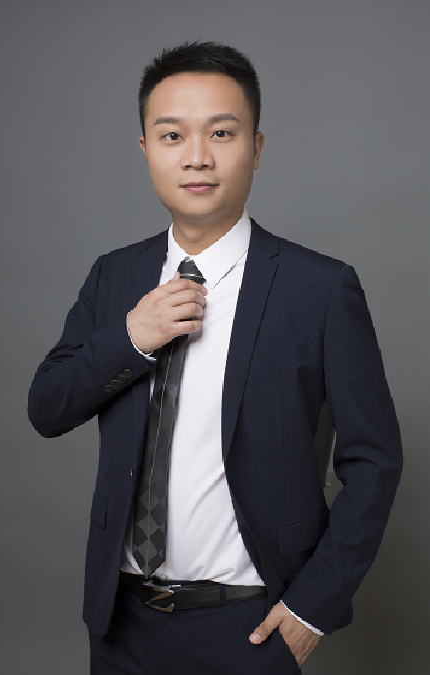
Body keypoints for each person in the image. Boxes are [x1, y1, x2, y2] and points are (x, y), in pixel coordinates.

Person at [28, 42, 403, 675]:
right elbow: (47, 407)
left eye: (221, 133)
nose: (196, 156)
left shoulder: (319, 288)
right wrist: (132, 337)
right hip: (120, 624)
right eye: (172, 135)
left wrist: (313, 608)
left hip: (250, 628)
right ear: (146, 149)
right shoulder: (113, 276)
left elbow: (375, 460)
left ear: (256, 148)